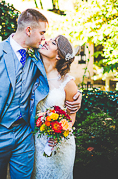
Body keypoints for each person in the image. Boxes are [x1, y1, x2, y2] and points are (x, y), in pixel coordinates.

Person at [0, 9, 81, 179]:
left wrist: (77, 100)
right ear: (28, 31)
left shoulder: (37, 58)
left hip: (24, 137)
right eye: (42, 33)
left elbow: (58, 79)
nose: (44, 38)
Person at [32, 35, 80, 179]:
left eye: (52, 43)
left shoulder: (67, 82)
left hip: (59, 144)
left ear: (59, 55)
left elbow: (71, 117)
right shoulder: (32, 72)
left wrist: (57, 134)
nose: (46, 41)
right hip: (36, 141)